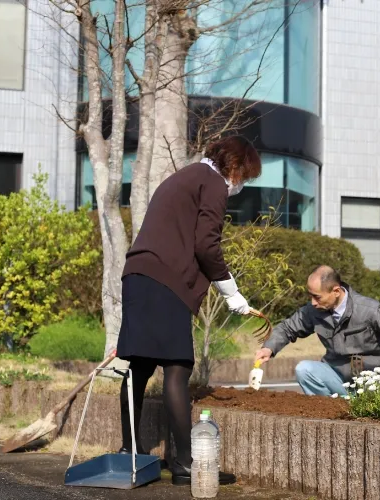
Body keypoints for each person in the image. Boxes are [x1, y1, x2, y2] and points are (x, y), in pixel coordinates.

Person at [115, 135, 262, 486]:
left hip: (139, 275)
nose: (241, 182)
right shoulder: (212, 182)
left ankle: (128, 453)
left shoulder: (185, 176)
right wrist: (232, 292)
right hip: (165, 281)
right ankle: (187, 465)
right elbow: (206, 245)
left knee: (140, 366)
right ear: (235, 165)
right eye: (244, 174)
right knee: (178, 369)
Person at [253, 265, 380, 396]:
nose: (313, 302)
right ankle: (330, 414)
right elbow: (288, 327)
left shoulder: (368, 310)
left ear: (336, 291)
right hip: (337, 377)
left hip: (372, 383)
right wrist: (269, 347)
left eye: (317, 297)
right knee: (304, 370)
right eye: (310, 296)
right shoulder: (313, 311)